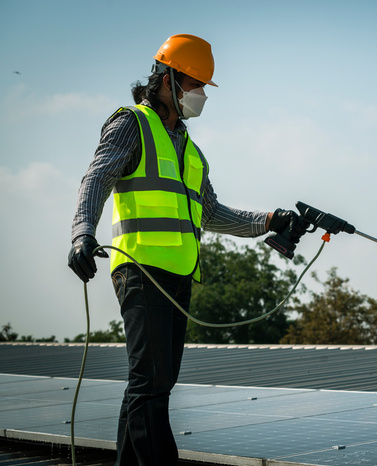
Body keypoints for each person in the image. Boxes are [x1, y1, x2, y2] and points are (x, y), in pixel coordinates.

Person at [67, 34, 307, 465]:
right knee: (151, 383)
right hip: (140, 270)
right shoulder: (131, 124)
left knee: (153, 385)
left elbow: (211, 213)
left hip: (179, 276)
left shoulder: (191, 152)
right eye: (193, 82)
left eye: (202, 86)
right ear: (167, 79)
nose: (199, 94)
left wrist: (269, 220)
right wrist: (82, 232)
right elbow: (96, 179)